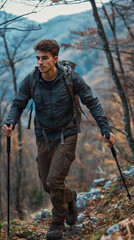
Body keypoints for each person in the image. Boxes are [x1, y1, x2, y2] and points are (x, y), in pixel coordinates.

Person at [2, 39, 115, 240]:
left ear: (55, 59)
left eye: (44, 58)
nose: (39, 62)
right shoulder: (31, 80)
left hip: (67, 134)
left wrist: (105, 129)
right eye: (37, 58)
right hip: (43, 136)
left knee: (54, 180)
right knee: (47, 184)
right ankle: (70, 197)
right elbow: (18, 103)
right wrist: (10, 122)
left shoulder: (71, 79)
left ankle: (57, 223)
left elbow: (92, 102)